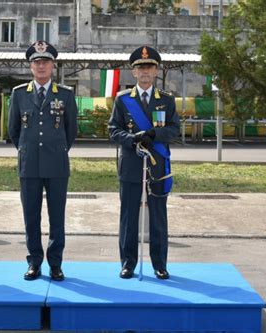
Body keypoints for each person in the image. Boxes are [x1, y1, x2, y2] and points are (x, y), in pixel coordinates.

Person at [108, 46, 180, 280]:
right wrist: (131, 139)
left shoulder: (167, 101)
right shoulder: (123, 100)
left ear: (156, 71)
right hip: (131, 164)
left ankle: (160, 264)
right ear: (134, 72)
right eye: (140, 68)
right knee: (129, 217)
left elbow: (174, 129)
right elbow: (113, 129)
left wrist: (153, 135)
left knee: (158, 216)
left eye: (149, 67)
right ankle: (128, 263)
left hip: (157, 165)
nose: (145, 71)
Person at [8, 41, 78, 281]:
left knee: (57, 217)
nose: (41, 66)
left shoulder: (66, 95)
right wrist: (28, 151)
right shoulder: (19, 94)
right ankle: (34, 262)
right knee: (31, 216)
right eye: (37, 62)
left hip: (57, 165)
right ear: (30, 66)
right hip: (29, 165)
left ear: (52, 65)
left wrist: (56, 150)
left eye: (45, 62)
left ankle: (56, 264)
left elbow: (71, 131)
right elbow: (13, 130)